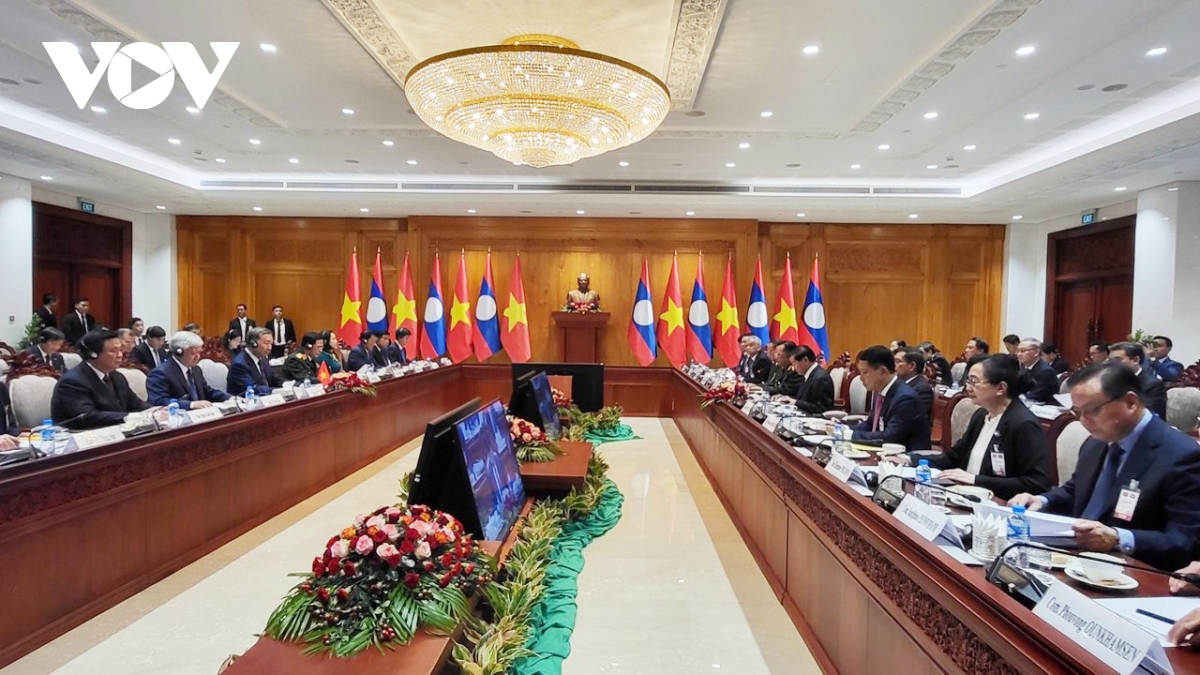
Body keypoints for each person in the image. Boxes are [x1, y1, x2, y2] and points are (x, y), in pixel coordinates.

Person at [1009, 362, 1200, 571]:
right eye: (1077, 412)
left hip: (1133, 571)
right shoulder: (1095, 442)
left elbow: (1185, 540)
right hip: (1075, 560)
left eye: (1093, 410)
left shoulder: (1182, 455)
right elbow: (1075, 491)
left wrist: (1118, 538)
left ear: (1130, 402)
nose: (1084, 421)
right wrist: (1041, 500)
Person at [913, 355, 1052, 499]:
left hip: (1000, 504)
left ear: (1000, 388)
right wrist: (909, 459)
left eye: (974, 382)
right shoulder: (981, 415)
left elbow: (1037, 483)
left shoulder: (1024, 424)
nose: (968, 387)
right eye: (968, 381)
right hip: (963, 497)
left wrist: (976, 480)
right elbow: (954, 457)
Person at [50, 329, 150, 430]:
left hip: (116, 432)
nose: (120, 355)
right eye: (113, 351)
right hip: (83, 435)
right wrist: (130, 417)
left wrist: (154, 412)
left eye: (120, 349)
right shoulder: (72, 382)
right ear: (93, 354)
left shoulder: (117, 376)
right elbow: (88, 417)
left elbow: (135, 404)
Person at [846, 345, 931, 451]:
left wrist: (849, 435)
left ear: (882, 371)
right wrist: (843, 429)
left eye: (865, 372)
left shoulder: (905, 398)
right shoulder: (882, 392)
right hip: (882, 453)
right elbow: (870, 425)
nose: (861, 378)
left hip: (906, 458)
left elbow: (889, 438)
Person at [146, 331, 231, 409]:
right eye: (193, 353)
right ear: (179, 352)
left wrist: (230, 398)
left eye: (199, 352)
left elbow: (207, 392)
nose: (198, 357)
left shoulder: (196, 369)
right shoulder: (160, 373)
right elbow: (159, 401)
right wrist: (191, 405)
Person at [1108, 341, 1167, 419]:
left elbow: (1147, 415)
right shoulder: (1109, 381)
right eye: (1110, 360)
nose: (1112, 364)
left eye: (1117, 360)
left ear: (1135, 360)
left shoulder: (1153, 385)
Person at [227, 328, 282, 395]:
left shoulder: (262, 358)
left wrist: (288, 385)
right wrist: (277, 391)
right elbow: (252, 388)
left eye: (271, 344)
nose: (269, 348)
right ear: (253, 344)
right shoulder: (239, 364)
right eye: (267, 343)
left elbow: (275, 378)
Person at [788, 345, 834, 414]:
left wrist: (795, 402)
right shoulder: (807, 374)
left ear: (805, 360)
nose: (793, 368)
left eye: (795, 364)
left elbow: (821, 408)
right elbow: (803, 399)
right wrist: (788, 399)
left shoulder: (820, 378)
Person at [1015, 338, 1059, 404]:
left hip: (1043, 407)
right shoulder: (1024, 367)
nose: (1018, 354)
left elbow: (1035, 396)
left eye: (1023, 351)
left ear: (1036, 352)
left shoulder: (1046, 371)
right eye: (1018, 351)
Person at [894, 348, 933, 420]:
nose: (893, 365)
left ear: (911, 366)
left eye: (898, 361)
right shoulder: (896, 383)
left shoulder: (922, 389)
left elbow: (909, 419)